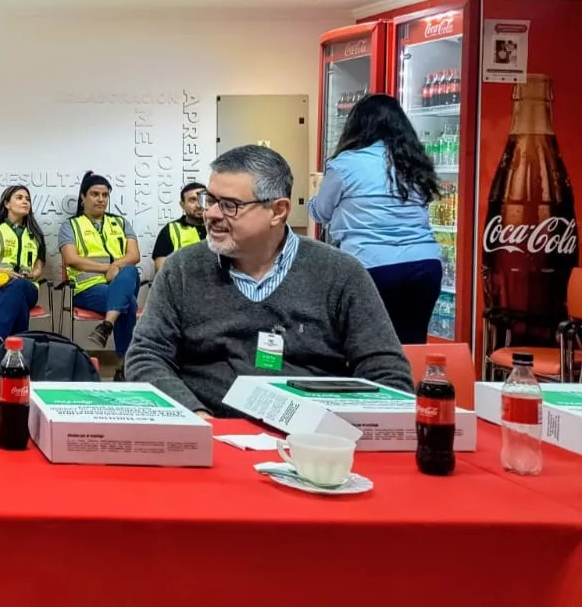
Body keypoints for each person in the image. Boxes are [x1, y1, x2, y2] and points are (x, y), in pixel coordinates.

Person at [125, 145, 414, 418]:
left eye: (229, 205)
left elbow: (387, 373)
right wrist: (195, 416)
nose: (210, 214)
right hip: (210, 427)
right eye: (209, 200)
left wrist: (337, 431)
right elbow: (146, 356)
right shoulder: (182, 269)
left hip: (312, 436)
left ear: (278, 211)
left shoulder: (341, 274)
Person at [308, 93, 443, 344]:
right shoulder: (414, 162)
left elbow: (321, 212)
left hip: (371, 265)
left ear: (357, 125)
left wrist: (314, 197)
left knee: (367, 345)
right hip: (424, 265)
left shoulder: (346, 163)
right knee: (412, 347)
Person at [58, 171, 141, 356]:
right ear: (83, 197)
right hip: (87, 289)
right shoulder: (70, 226)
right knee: (129, 303)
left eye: (105, 195)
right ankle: (125, 364)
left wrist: (117, 267)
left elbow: (134, 255)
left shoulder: (121, 223)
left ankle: (107, 324)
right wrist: (109, 268)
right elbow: (72, 259)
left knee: (130, 270)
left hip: (120, 282)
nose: (101, 199)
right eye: (95, 194)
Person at [0, 185, 48, 353]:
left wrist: (33, 274)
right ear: (7, 204)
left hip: (28, 288)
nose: (25, 202)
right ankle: (18, 352)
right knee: (18, 304)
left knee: (19, 286)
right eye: (19, 198)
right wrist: (4, 273)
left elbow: (39, 265)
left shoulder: (35, 233)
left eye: (27, 199)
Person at [151, 181, 207, 274]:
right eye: (192, 200)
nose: (199, 205)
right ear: (182, 205)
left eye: (203, 199)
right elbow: (161, 272)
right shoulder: (170, 230)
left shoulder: (221, 228)